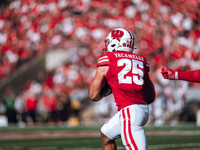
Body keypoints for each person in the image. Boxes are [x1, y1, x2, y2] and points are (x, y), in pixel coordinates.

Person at [89, 28, 155, 150]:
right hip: (143, 111)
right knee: (106, 134)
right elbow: (151, 97)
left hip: (129, 112)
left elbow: (93, 95)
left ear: (115, 42)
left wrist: (105, 92)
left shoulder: (108, 58)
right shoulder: (142, 61)